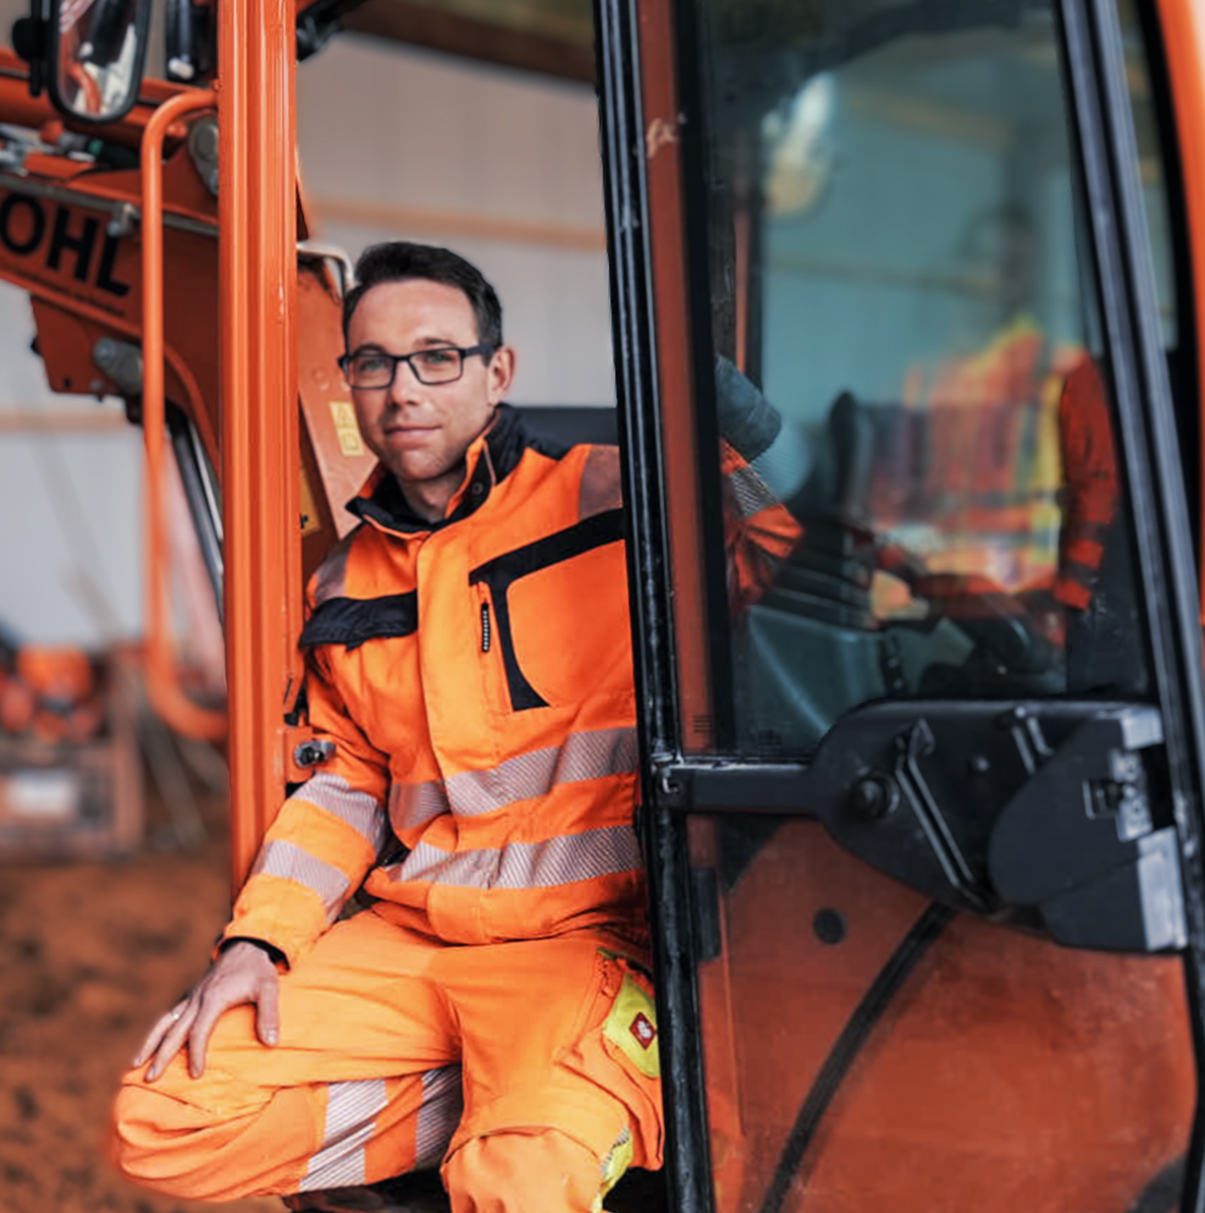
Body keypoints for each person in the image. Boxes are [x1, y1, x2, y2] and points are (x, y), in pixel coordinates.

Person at [112, 242, 795, 1212]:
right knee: (162, 1119)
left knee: (515, 1184)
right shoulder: (345, 584)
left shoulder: (610, 499)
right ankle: (495, 1091)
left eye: (436, 356)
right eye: (373, 364)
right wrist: (255, 945)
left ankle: (542, 1097)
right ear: (348, 381)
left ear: (495, 371)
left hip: (580, 944)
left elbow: (790, 563)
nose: (402, 389)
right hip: (413, 941)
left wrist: (733, 427)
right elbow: (343, 788)